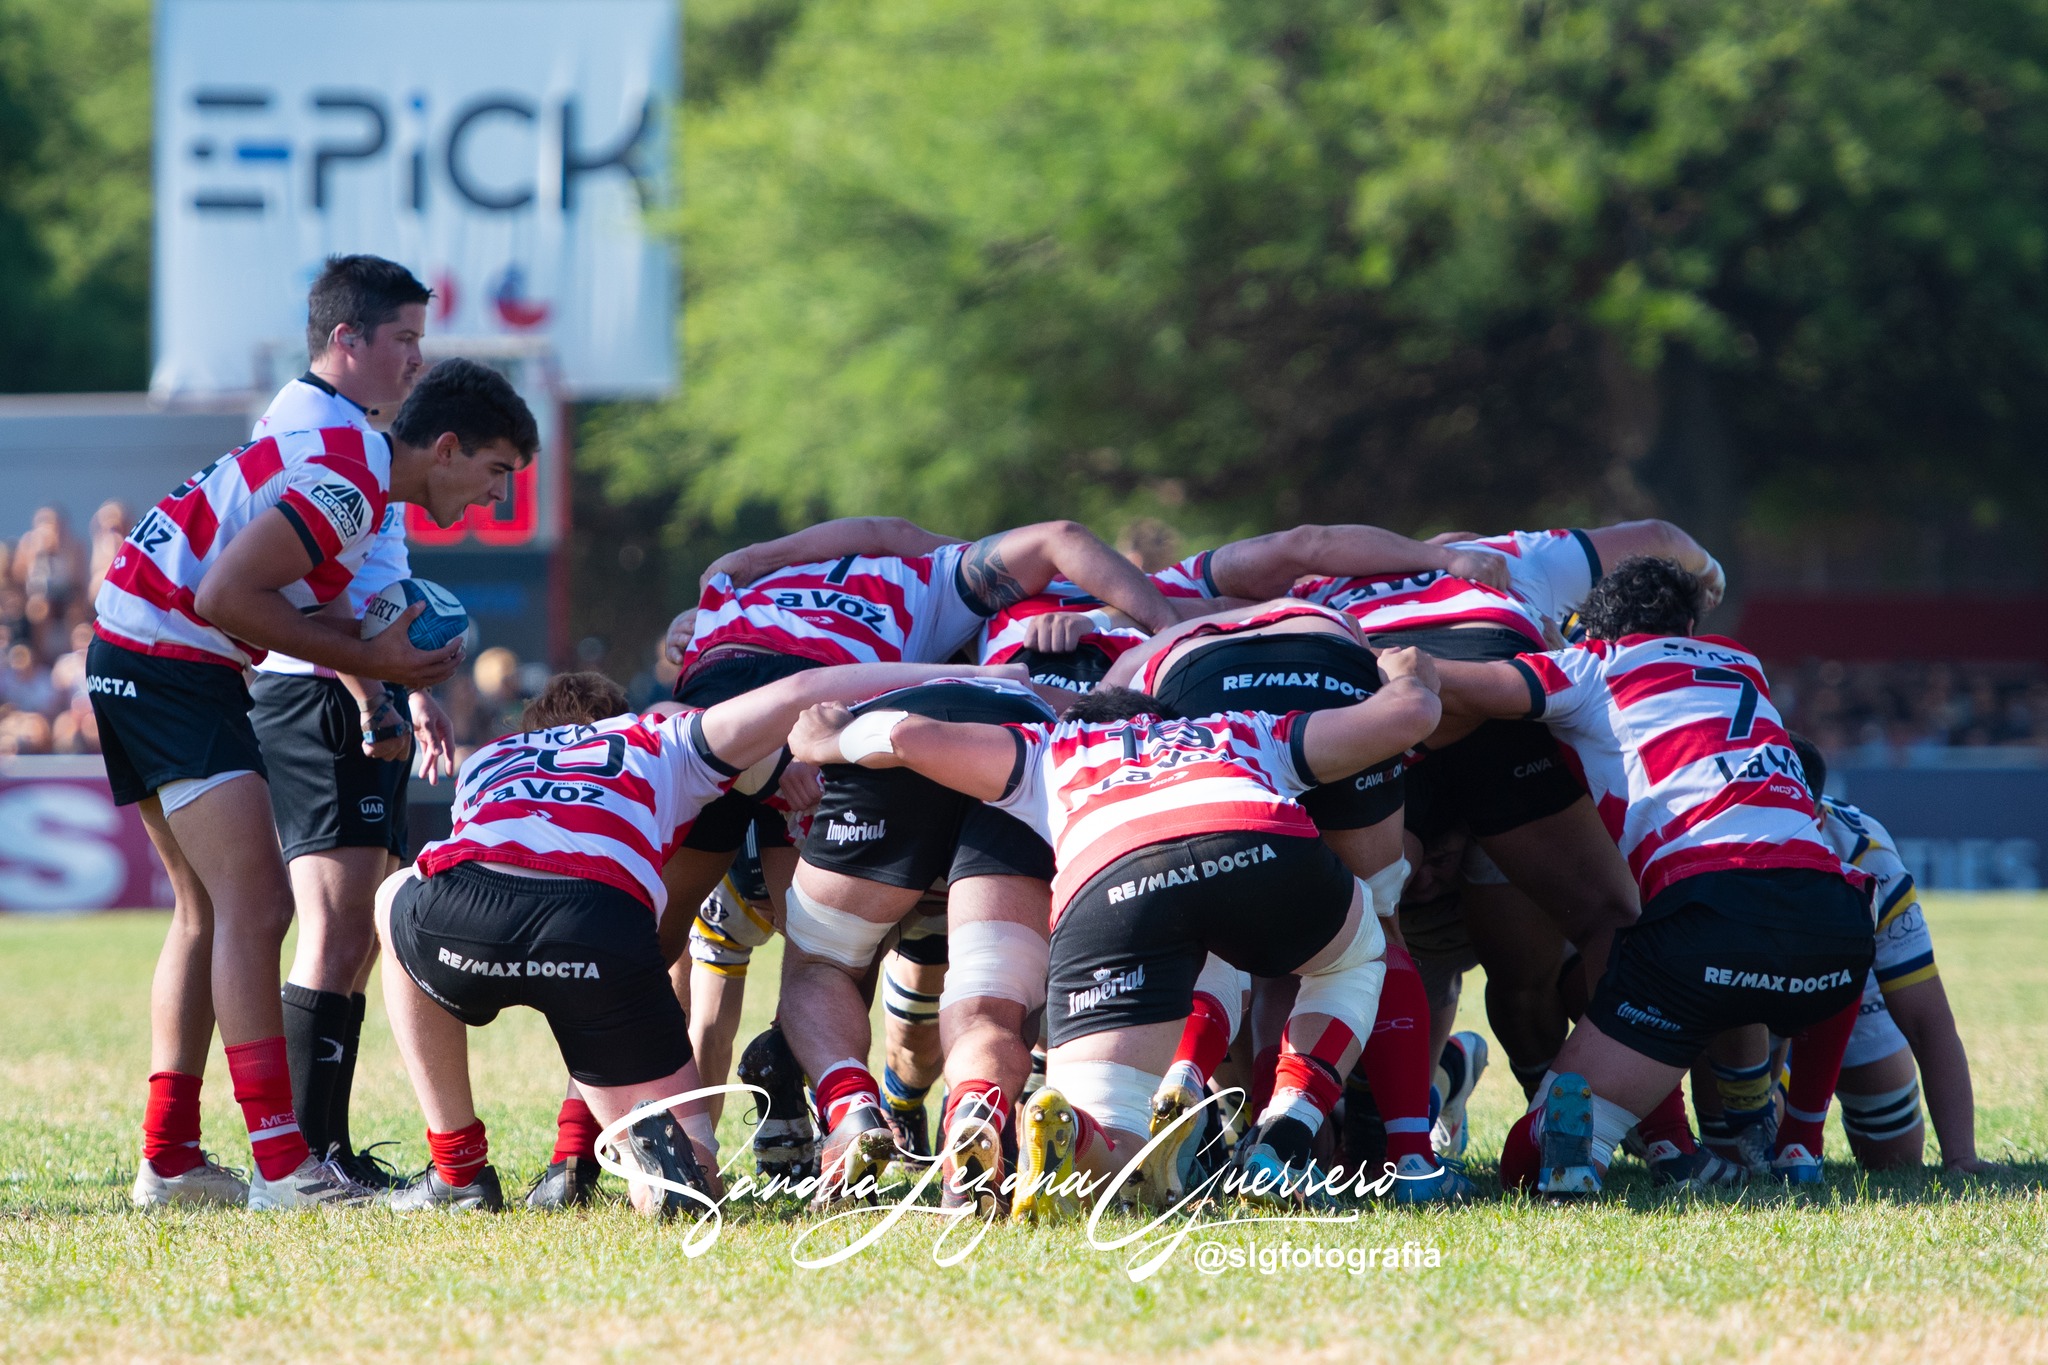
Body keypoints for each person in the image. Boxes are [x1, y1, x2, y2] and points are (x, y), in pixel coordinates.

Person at [94, 358, 536, 1209]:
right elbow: (227, 594)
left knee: (208, 911)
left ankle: (172, 1158)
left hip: (143, 649)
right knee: (259, 907)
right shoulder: (354, 484)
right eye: (495, 473)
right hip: (169, 661)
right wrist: (372, 658)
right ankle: (279, 1165)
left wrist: (385, 658)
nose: (495, 499)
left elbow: (256, 594)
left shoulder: (353, 469)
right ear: (446, 448)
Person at [786, 649, 1445, 1218]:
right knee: (1358, 956)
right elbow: (1409, 715)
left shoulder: (1054, 746)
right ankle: (1289, 1127)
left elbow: (905, 737)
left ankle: (1074, 1135)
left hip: (1116, 880)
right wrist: (1406, 671)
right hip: (1252, 838)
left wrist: (829, 737)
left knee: (1114, 1135)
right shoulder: (1238, 728)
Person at [373, 659, 1024, 1214]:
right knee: (693, 1167)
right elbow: (803, 691)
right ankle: (668, 1169)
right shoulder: (660, 735)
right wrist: (972, 674)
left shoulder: (491, 757)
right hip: (598, 927)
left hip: (465, 916)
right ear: (620, 714)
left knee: (396, 893)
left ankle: (457, 1171)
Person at [1433, 557, 1875, 1194]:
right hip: (1834, 938)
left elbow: (1461, 684)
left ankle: (1627, 1137)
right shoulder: (1741, 661)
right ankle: (1793, 1143)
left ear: (1596, 630)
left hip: (1706, 932)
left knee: (1528, 1161)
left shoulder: (1591, 666)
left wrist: (1388, 661)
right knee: (1776, 931)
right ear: (1693, 625)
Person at [245, 255, 455, 1187]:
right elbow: (288, 589)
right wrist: (371, 688)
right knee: (331, 924)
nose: (417, 357)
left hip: (355, 682)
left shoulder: (357, 432)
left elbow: (375, 580)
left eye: (420, 338)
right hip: (314, 686)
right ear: (347, 339)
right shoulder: (309, 432)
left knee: (357, 930)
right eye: (404, 338)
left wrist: (409, 681)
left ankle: (323, 1151)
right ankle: (301, 1158)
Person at [1791, 736, 2002, 1174]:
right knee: (1745, 1154)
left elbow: (1928, 1020)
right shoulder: (1714, 834)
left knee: (1896, 1158)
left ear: (1818, 815)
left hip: (1842, 991)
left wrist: (1961, 1157)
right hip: (1741, 999)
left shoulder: (1868, 857)